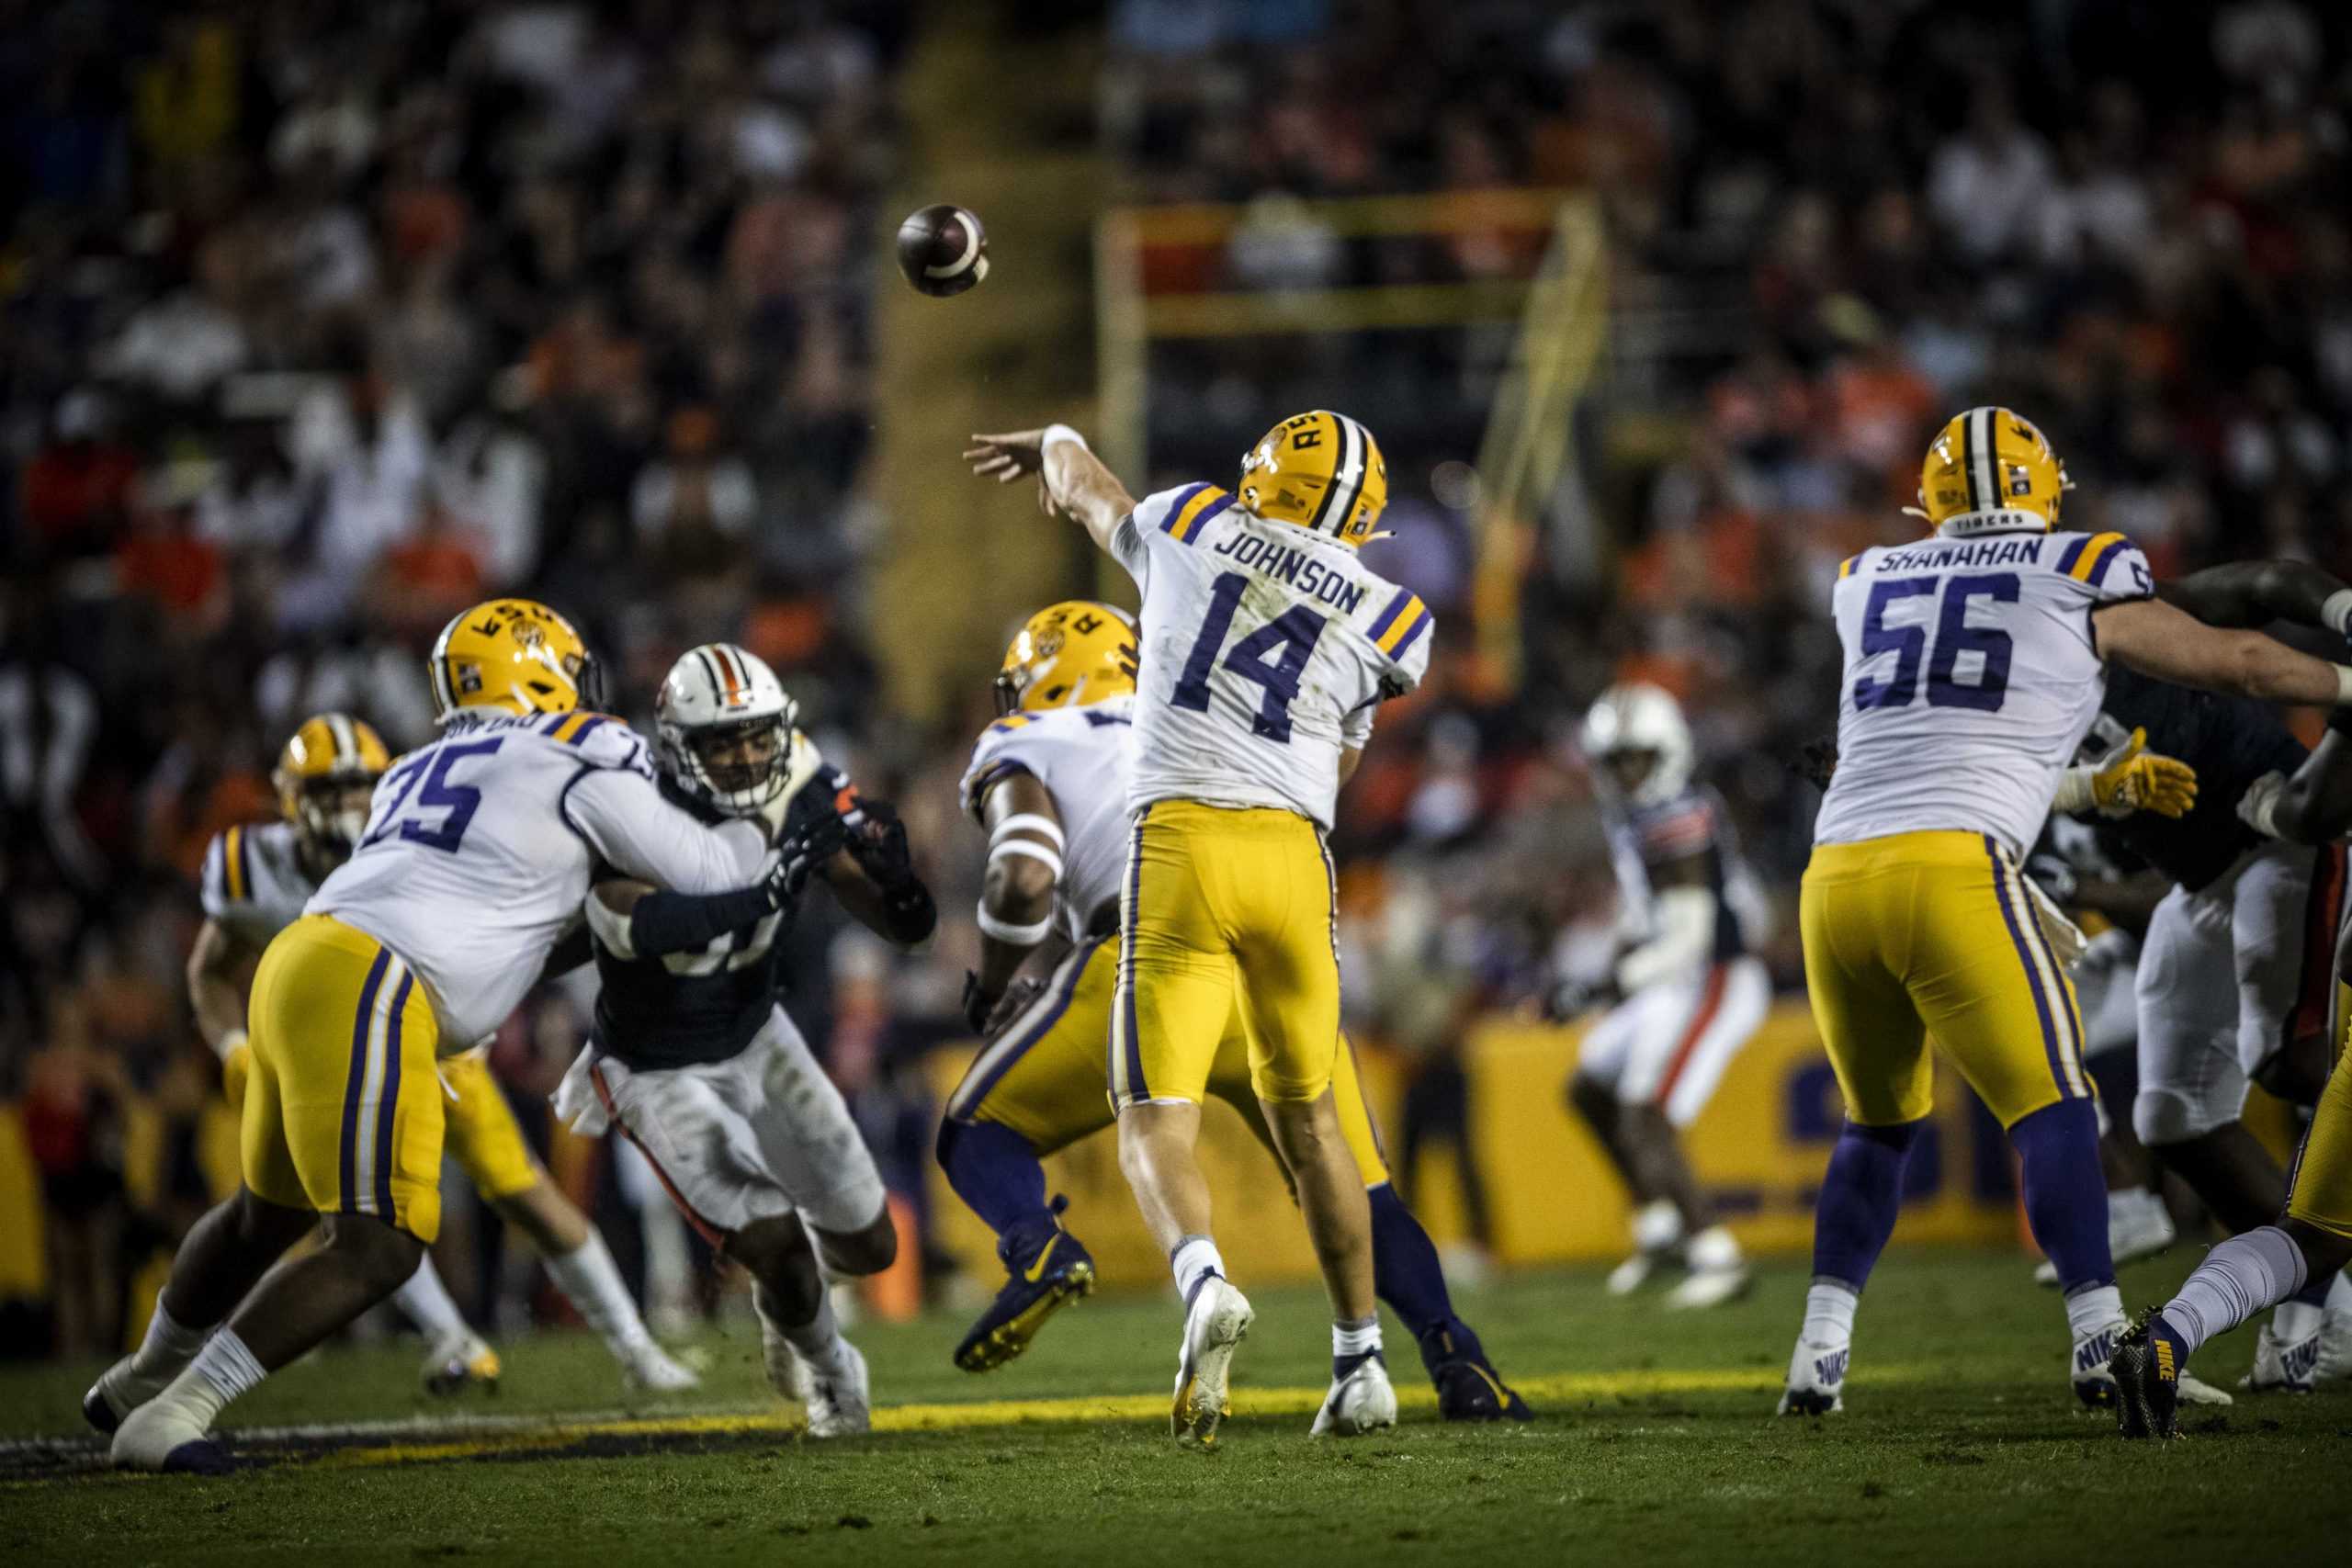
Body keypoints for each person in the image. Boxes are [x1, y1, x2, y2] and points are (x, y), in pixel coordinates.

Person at [90, 599, 775, 1472]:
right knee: (378, 1242)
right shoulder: (577, 749)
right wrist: (772, 827)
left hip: (303, 959)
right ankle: (174, 1411)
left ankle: (140, 1376)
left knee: (266, 1214)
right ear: (538, 672)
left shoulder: (418, 764)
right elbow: (710, 872)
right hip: (375, 979)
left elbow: (523, 922)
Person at [1777, 406, 2352, 1417]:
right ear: (2049, 494)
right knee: (2056, 1108)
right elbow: (2243, 660)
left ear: (1932, 501)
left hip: (1832, 877)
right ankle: (2100, 1342)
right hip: (1955, 868)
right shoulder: (2083, 567)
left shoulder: (1862, 576)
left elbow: (1936, 730)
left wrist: (2091, 794)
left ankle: (1816, 1356)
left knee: (1876, 1126)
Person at [940, 601, 1528, 1420]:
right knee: (1361, 1185)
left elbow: (1025, 874)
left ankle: (1047, 1250)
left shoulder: (1029, 737)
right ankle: (1456, 1358)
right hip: (1271, 942)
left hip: (1152, 946)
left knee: (976, 1130)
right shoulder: (1192, 706)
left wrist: (996, 978)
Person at [966, 412, 1429, 1443]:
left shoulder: (1192, 522)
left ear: (1265, 479)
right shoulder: (1397, 616)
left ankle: (1204, 1280)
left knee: (1154, 1117)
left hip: (1179, 846)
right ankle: (1361, 1362)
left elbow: (1087, 490)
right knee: (1314, 1128)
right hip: (1293, 862)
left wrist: (1053, 438)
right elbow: (1340, 763)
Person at [179, 712, 699, 1398]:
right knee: (361, 1206)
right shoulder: (252, 864)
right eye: (326, 790)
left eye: (356, 786)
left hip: (428, 1032)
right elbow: (209, 970)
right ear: (288, 796)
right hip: (333, 1034)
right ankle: (445, 1334)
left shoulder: (408, 831)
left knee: (526, 1193)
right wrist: (233, 1043)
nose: (344, 805)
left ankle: (635, 1349)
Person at [554, 642, 936, 1438]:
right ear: (677, 748)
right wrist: (759, 885)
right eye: (721, 741)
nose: (745, 755)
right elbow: (632, 923)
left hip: (758, 1034)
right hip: (655, 1063)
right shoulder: (627, 797)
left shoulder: (803, 782)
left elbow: (904, 926)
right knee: (778, 1244)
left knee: (870, 1245)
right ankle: (833, 1368)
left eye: (758, 735)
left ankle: (785, 1308)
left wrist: (900, 884)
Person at [1561, 682, 1771, 1308]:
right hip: (1673, 980)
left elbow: (1688, 939)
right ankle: (1658, 1226)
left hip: (1714, 978)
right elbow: (1645, 915)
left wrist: (1605, 983)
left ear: (1670, 751)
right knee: (1588, 1088)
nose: (1626, 772)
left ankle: (1714, 1252)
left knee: (1645, 1112)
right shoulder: (1633, 814)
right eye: (1615, 759)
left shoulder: (1677, 815)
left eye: (1638, 757)